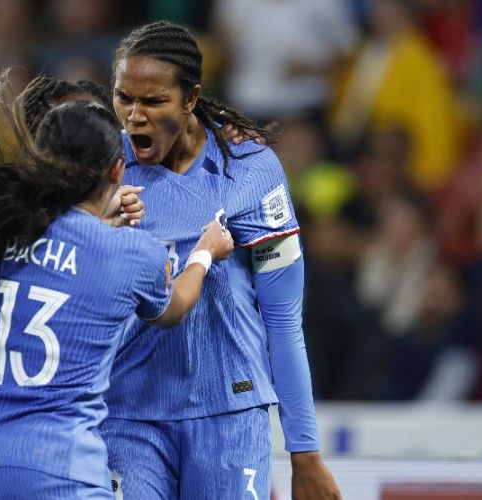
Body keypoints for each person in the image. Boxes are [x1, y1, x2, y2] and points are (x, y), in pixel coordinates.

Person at [0, 76, 234, 499]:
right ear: (117, 169)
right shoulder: (132, 253)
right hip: (55, 467)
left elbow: (54, 248)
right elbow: (174, 308)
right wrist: (204, 253)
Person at [100, 21, 341, 499]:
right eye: (124, 98)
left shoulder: (250, 170)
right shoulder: (101, 170)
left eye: (153, 101)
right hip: (127, 413)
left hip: (231, 411)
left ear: (190, 99)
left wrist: (305, 452)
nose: (134, 117)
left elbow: (283, 319)